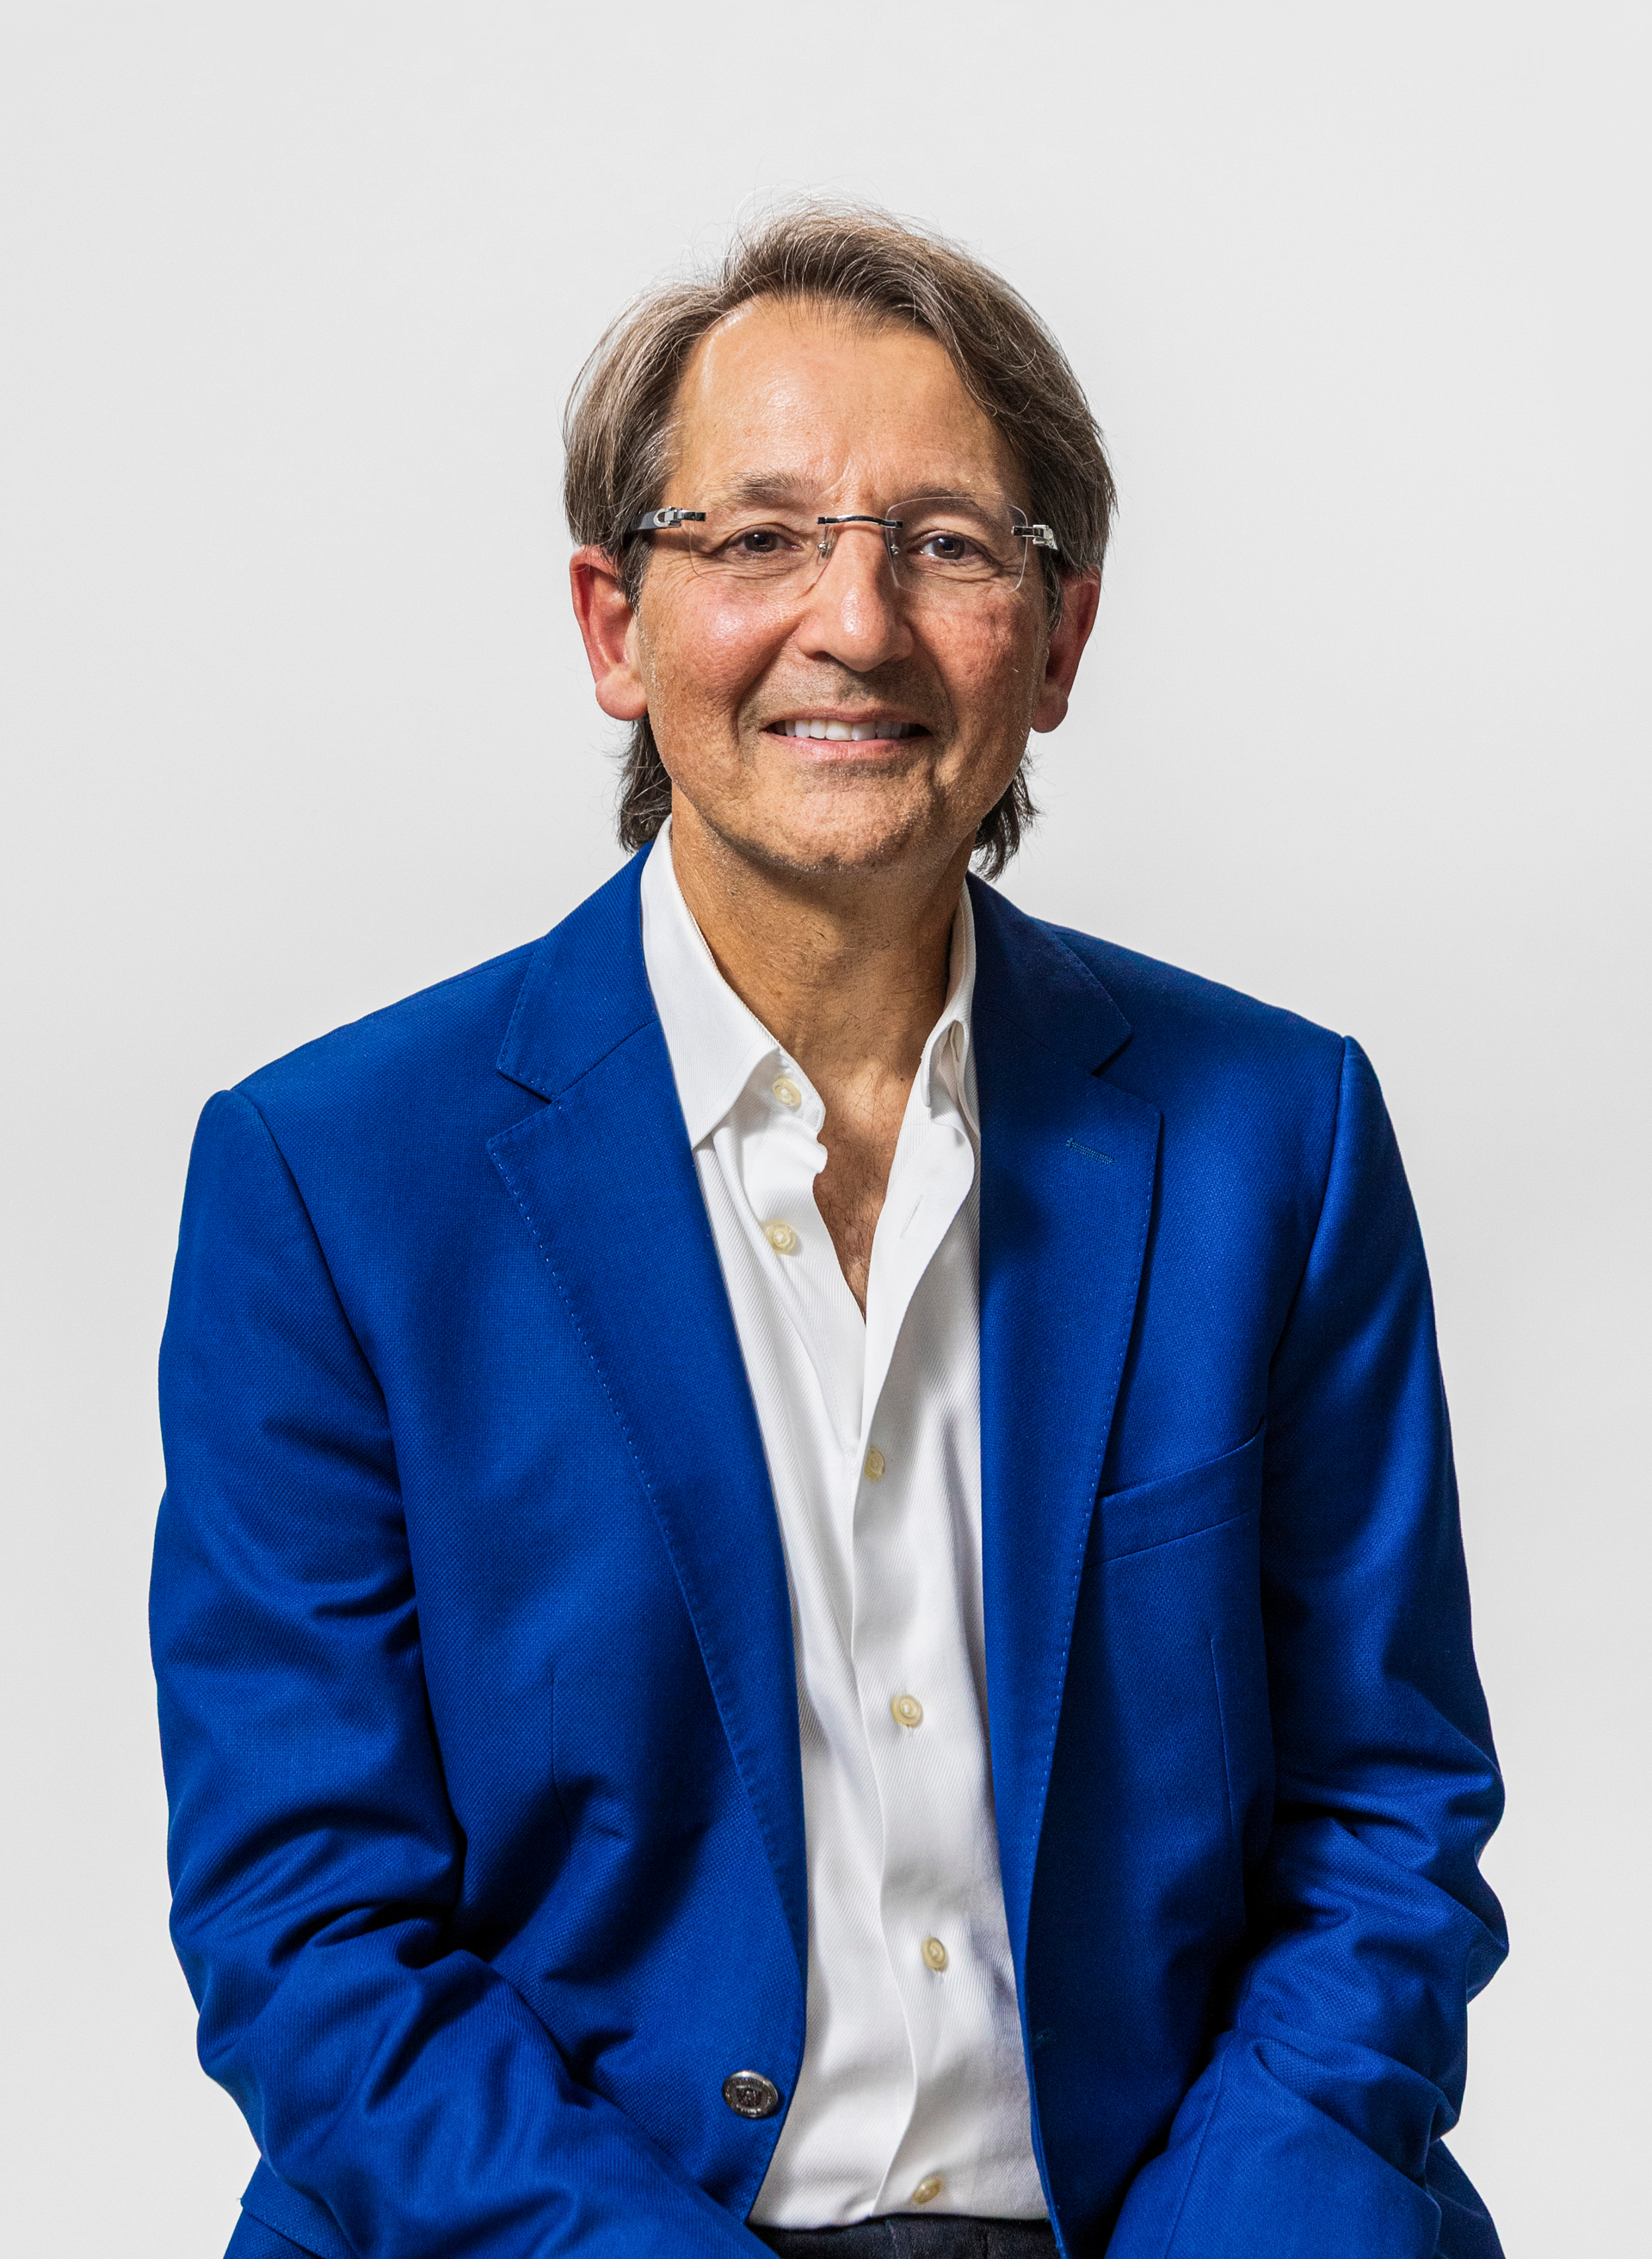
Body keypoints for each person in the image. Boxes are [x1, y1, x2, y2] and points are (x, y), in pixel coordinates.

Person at [151, 204, 1507, 2259]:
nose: (853, 622)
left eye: (949, 543)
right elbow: (309, 1928)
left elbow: (1386, 1823)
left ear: (1059, 640)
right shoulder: (331, 1186)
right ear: (615, 622)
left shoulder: (1276, 1137)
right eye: (757, 536)